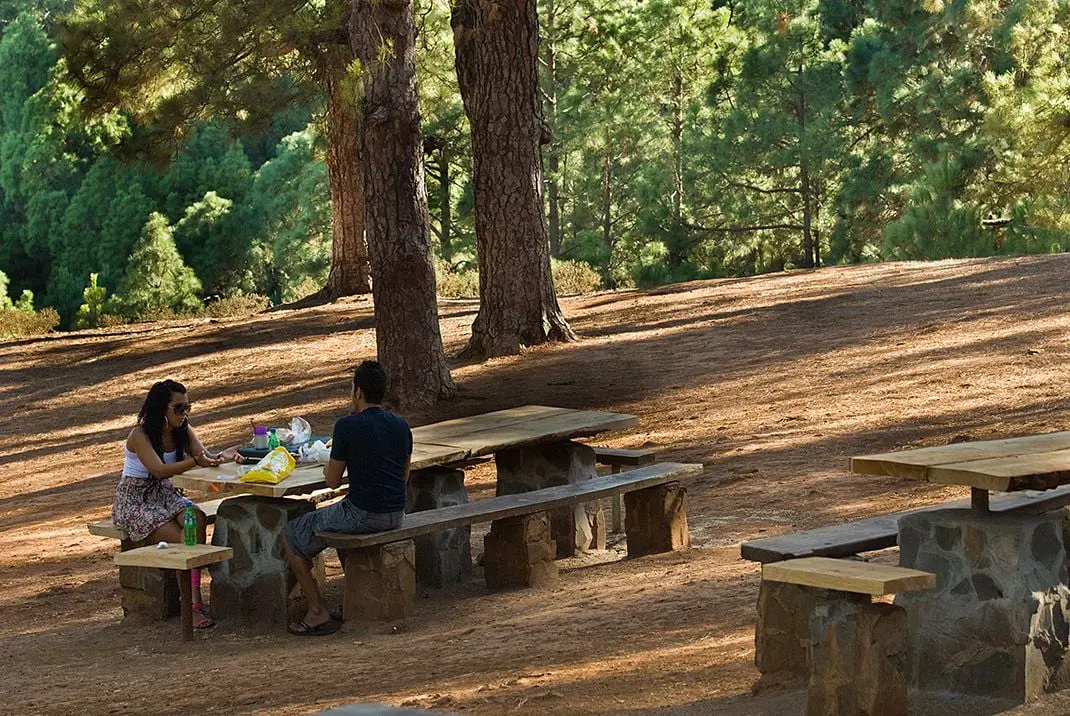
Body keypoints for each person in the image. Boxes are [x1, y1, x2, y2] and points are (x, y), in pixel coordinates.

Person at [282, 360, 412, 636]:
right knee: (338, 519)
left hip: (365, 512)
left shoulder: (347, 426)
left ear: (358, 391)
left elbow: (331, 481)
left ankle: (317, 610)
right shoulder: (402, 426)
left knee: (291, 535)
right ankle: (352, 600)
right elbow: (404, 475)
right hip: (397, 513)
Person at [112, 379, 243, 629]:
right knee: (186, 540)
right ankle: (192, 604)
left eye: (187, 407)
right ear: (161, 408)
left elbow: (203, 457)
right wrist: (197, 461)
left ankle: (193, 595)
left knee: (196, 517)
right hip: (137, 501)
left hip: (165, 495)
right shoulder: (139, 435)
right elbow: (159, 470)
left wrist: (221, 456)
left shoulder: (183, 428)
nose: (184, 414)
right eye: (178, 408)